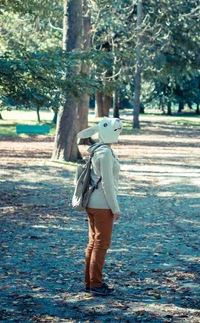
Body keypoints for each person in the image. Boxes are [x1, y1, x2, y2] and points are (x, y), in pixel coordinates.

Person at [76, 117, 123, 296]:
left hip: (92, 203)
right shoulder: (105, 153)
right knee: (101, 244)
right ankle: (95, 284)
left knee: (93, 243)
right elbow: (107, 184)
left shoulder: (98, 150)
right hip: (102, 205)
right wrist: (115, 208)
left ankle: (90, 282)